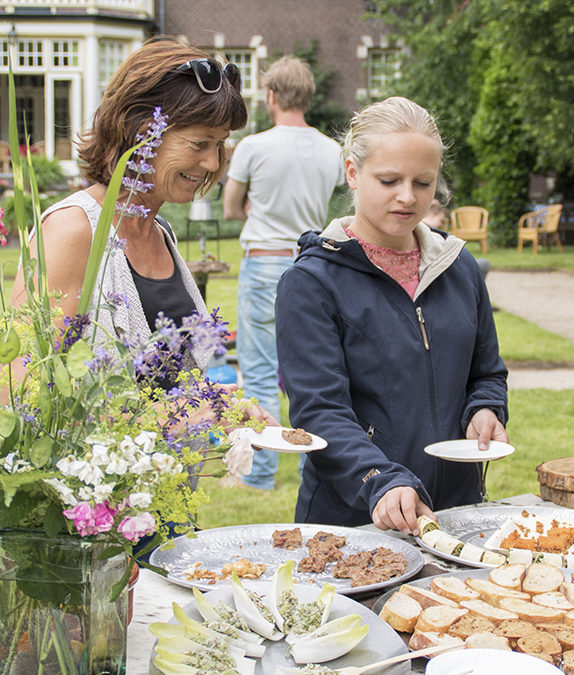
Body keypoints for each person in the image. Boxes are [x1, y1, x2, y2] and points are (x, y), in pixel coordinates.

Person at [10, 37, 275, 431]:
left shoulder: (160, 231)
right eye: (200, 143)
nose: (212, 162)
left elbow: (165, 386)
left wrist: (215, 404)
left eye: (220, 145)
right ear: (140, 131)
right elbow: (23, 395)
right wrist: (169, 417)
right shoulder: (71, 230)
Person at [275, 96, 509, 534]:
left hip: (457, 515)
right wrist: (379, 479)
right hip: (354, 522)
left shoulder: (460, 267)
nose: (407, 197)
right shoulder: (311, 282)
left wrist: (486, 409)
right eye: (389, 180)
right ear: (352, 172)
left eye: (423, 183)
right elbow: (319, 410)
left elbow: (487, 374)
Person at [223, 55, 345, 490]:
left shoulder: (254, 147)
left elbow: (230, 207)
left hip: (262, 259)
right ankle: (310, 467)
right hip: (312, 265)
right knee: (311, 372)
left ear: (271, 95)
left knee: (257, 367)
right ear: (308, 97)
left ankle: (259, 475)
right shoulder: (334, 151)